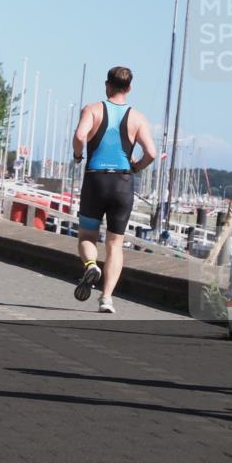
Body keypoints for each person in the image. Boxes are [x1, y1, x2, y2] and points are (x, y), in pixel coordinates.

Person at [71, 66, 156, 314]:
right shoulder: (137, 118)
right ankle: (106, 298)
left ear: (106, 85)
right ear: (129, 88)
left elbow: (79, 135)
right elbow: (151, 153)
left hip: (96, 180)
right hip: (122, 183)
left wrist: (78, 155)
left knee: (87, 236)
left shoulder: (93, 109)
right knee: (115, 244)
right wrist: (137, 167)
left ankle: (90, 265)